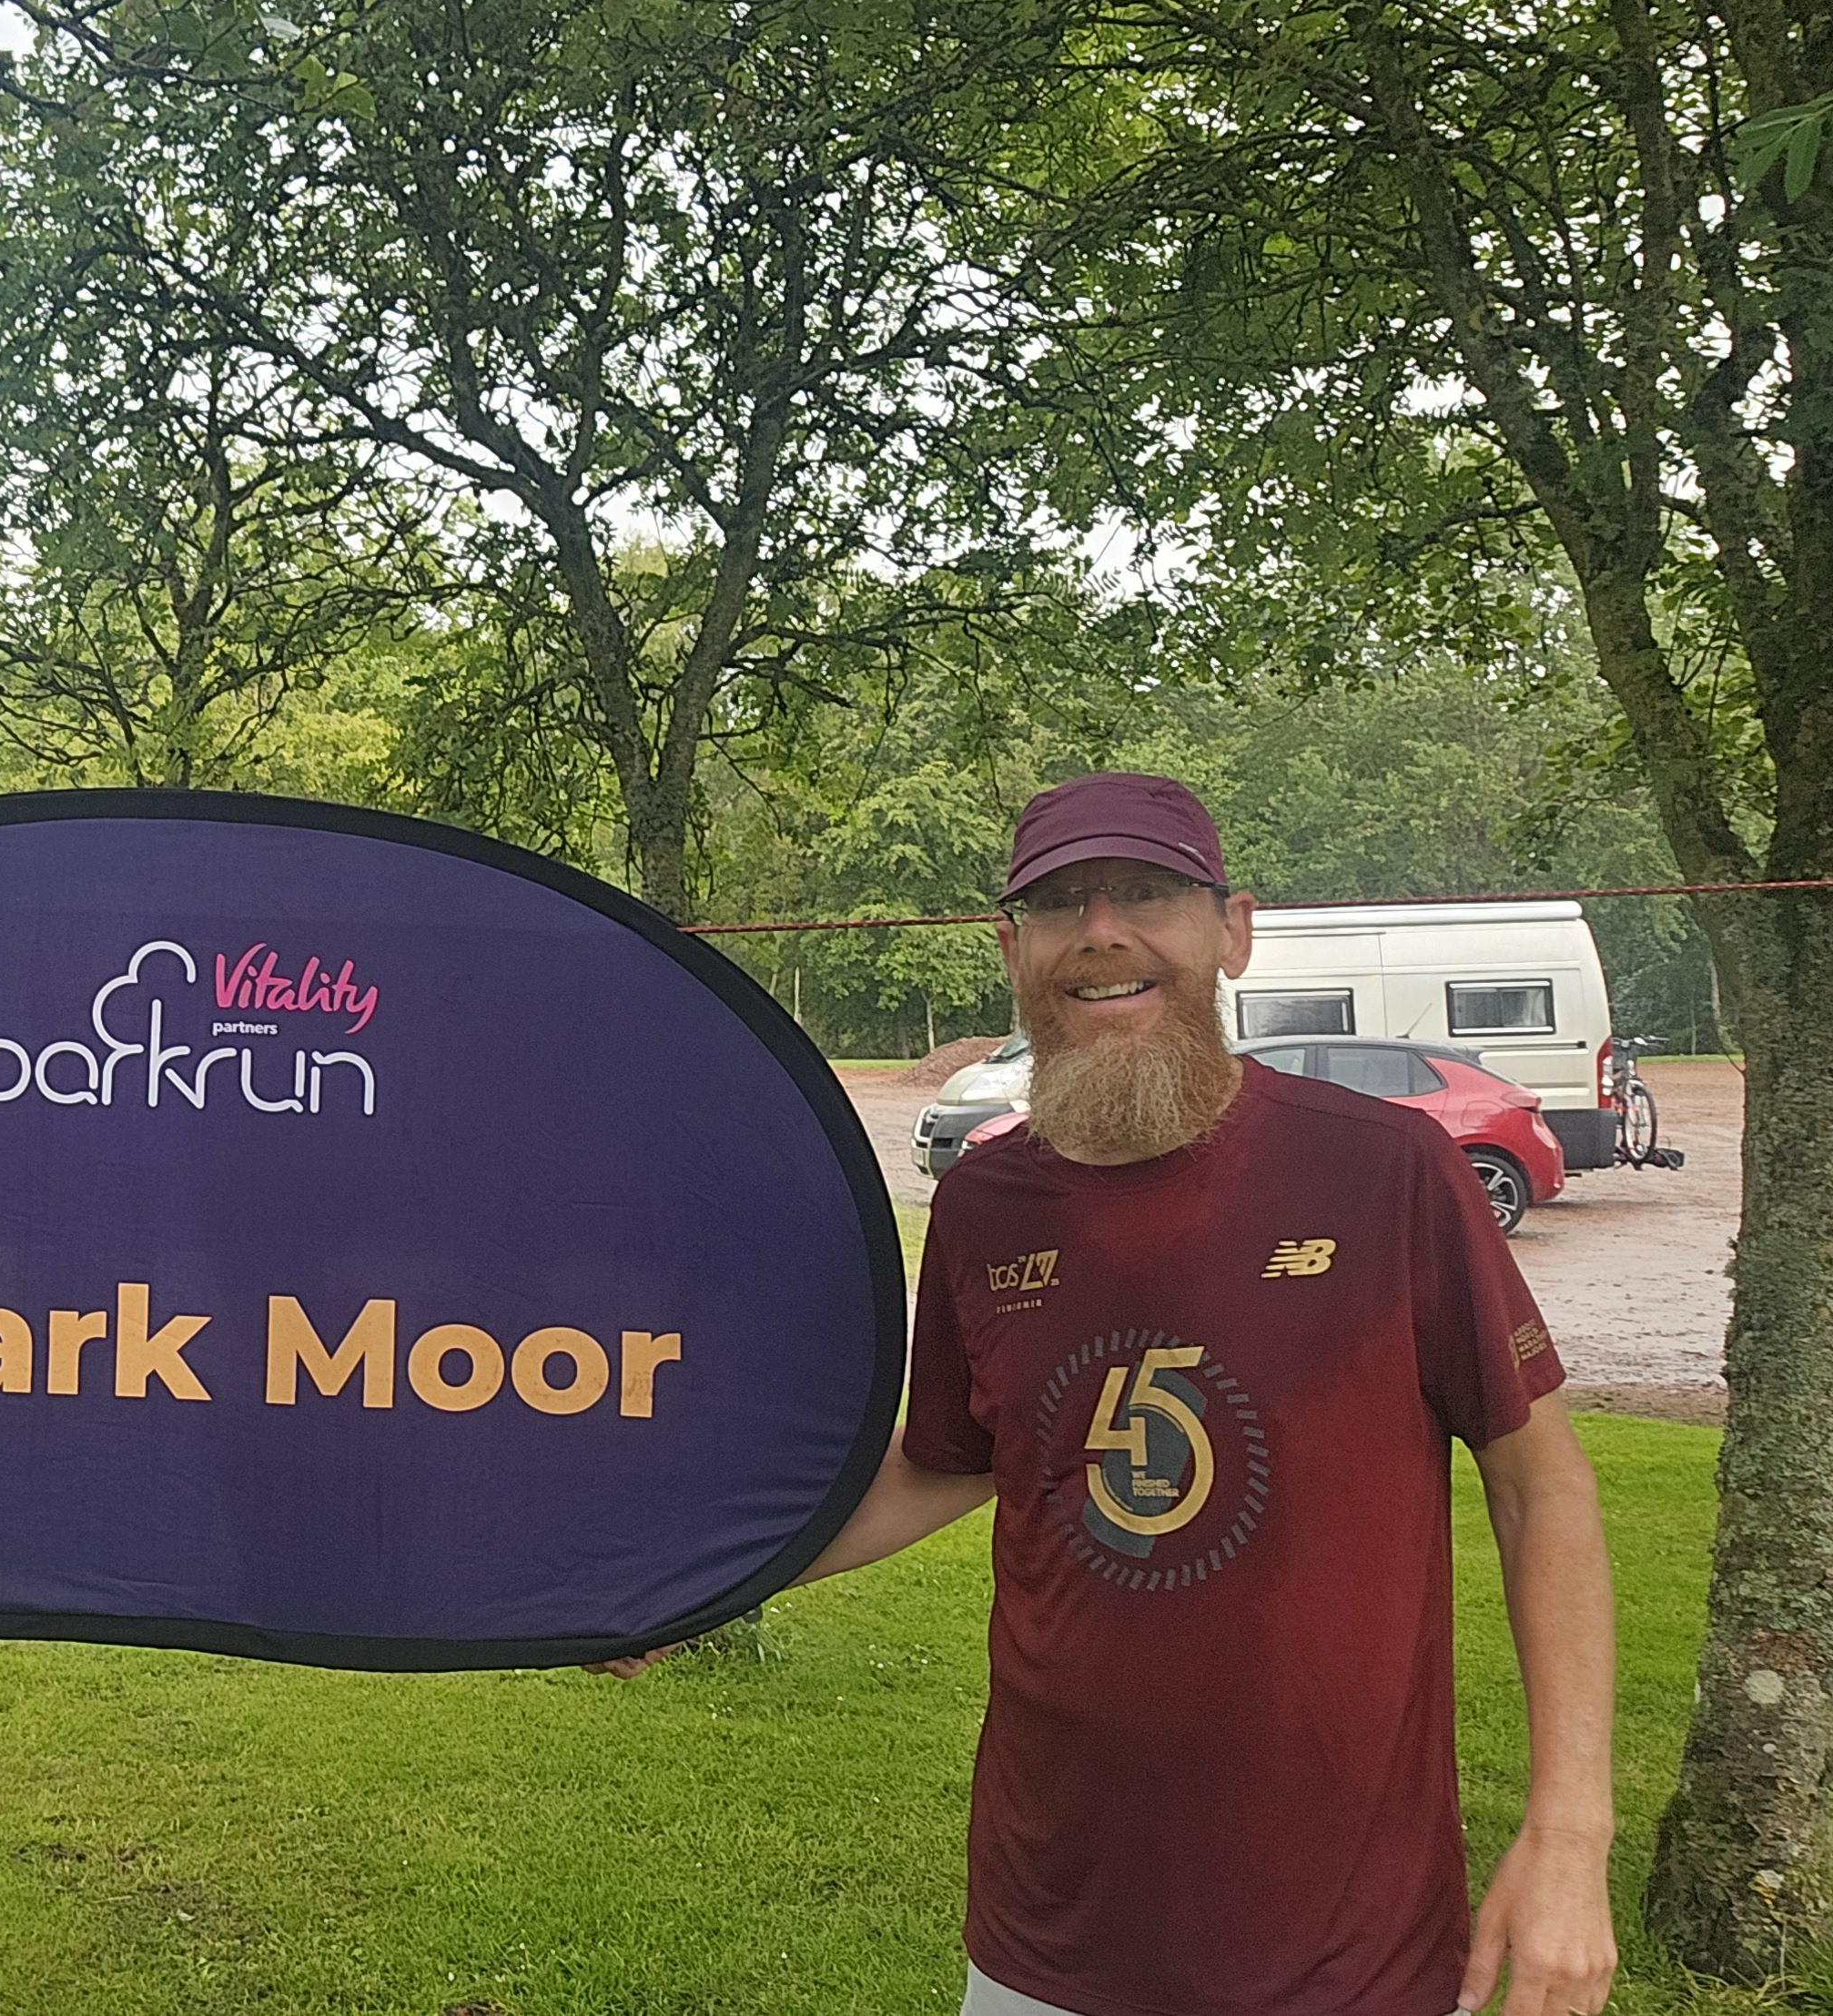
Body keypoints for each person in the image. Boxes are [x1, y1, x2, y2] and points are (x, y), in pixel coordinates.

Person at [620, 772, 1620, 2016]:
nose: (1101, 931)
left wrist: (1571, 1840)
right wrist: (699, 1582)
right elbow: (951, 1460)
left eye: (1146, 893)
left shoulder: (1389, 1172)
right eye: (1057, 905)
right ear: (1012, 949)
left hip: (1351, 1954)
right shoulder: (988, 1206)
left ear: (1231, 929)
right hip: (1048, 1944)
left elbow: (1542, 1490)